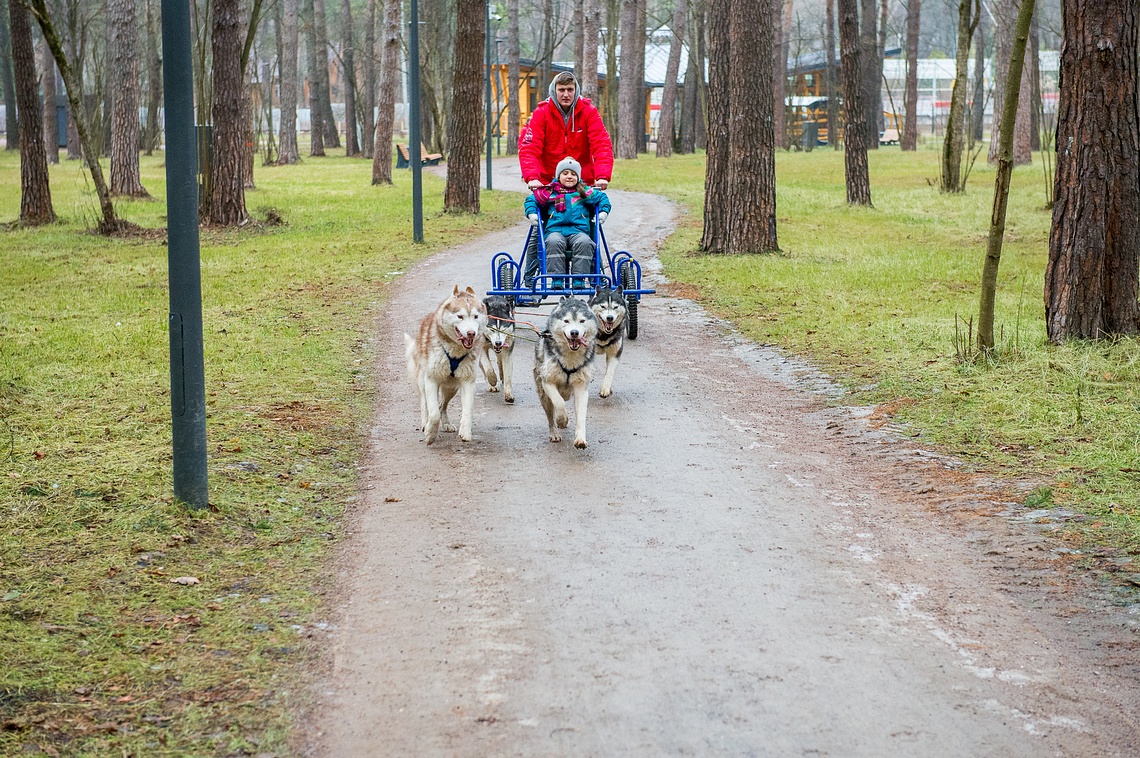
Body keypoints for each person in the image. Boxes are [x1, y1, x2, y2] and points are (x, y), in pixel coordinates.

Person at [518, 72, 614, 289]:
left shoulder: (588, 112)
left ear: (576, 91)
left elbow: (601, 144)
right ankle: (531, 279)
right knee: (539, 232)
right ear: (555, 91)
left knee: (589, 232)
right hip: (547, 185)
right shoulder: (542, 113)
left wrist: (602, 176)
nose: (566, 94)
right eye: (561, 90)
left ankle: (594, 277)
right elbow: (529, 148)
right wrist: (532, 177)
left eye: (570, 90)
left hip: (581, 183)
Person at [525, 157, 610, 290]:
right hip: (555, 231)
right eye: (565, 173)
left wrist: (603, 213)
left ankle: (579, 279)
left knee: (585, 243)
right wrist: (532, 214)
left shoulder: (584, 192)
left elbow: (603, 199)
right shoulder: (549, 192)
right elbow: (531, 200)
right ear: (558, 176)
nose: (569, 177)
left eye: (573, 174)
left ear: (578, 177)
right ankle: (557, 279)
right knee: (553, 242)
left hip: (579, 231)